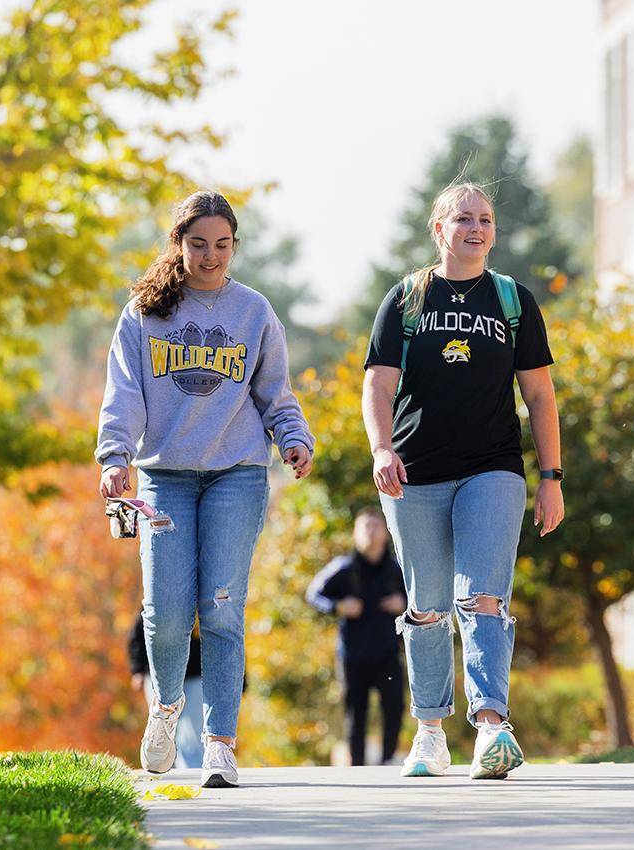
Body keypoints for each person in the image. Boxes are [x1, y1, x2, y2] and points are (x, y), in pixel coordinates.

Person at [97, 190, 315, 789]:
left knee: (221, 608)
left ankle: (220, 743)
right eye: (198, 244)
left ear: (235, 247)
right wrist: (114, 456)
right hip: (162, 477)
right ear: (178, 244)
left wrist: (294, 439)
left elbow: (276, 393)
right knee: (165, 613)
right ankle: (166, 710)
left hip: (237, 474)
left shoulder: (253, 311)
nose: (210, 256)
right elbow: (124, 393)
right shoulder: (145, 313)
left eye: (222, 245)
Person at [361, 181, 564, 780]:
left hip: (493, 467)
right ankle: (428, 732)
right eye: (464, 219)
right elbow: (376, 383)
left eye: (486, 220)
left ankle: (492, 727)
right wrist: (380, 448)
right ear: (439, 229)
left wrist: (551, 477)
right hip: (413, 472)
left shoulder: (513, 301)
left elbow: (540, 396)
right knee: (426, 608)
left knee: (483, 596)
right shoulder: (406, 299)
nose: (477, 229)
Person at [306, 507, 407, 766]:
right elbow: (314, 594)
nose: (371, 533)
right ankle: (358, 767)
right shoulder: (343, 567)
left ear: (386, 533)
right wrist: (339, 606)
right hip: (353, 654)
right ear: (355, 534)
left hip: (388, 652)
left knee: (394, 708)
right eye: (365, 527)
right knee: (355, 713)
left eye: (376, 526)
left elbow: (421, 598)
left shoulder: (399, 569)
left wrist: (404, 603)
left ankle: (388, 761)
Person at [127, 615, 205, 769]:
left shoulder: (205, 603)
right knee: (163, 726)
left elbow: (225, 638)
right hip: (160, 677)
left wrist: (239, 681)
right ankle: (162, 767)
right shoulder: (165, 597)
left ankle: (190, 771)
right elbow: (138, 635)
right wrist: (137, 670)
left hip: (196, 676)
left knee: (191, 732)